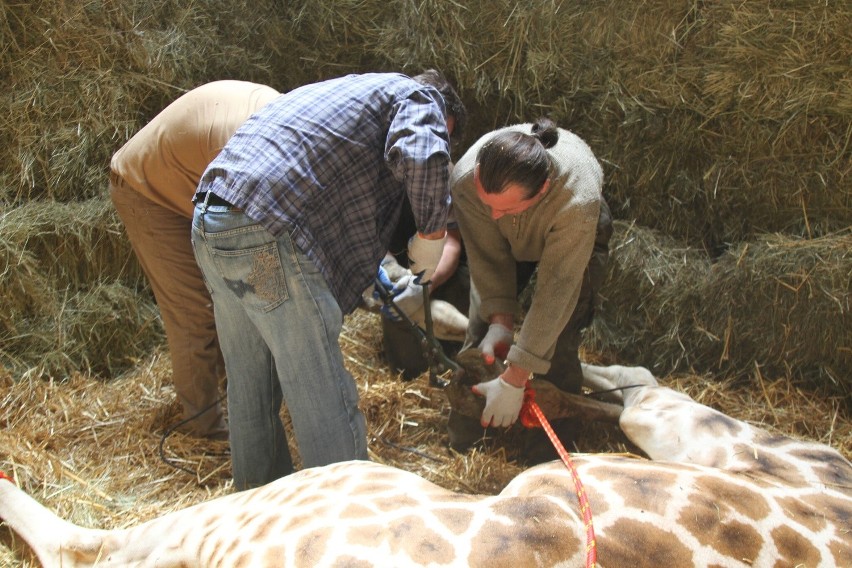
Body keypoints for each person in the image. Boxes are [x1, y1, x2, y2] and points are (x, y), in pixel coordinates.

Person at [191, 70, 466, 490]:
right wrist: (432, 234)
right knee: (319, 388)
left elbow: (364, 205)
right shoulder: (420, 96)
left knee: (252, 390)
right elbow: (424, 153)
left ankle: (258, 521)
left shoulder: (348, 95)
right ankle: (345, 522)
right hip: (266, 229)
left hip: (213, 221)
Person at [110, 80, 281, 440]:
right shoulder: (253, 156)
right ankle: (204, 430)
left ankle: (235, 399)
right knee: (194, 313)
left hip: (192, 175)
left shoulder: (286, 128)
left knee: (231, 298)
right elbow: (250, 243)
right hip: (148, 190)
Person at [449, 117, 613, 462]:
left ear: (540, 192)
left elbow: (557, 290)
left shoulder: (576, 197)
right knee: (480, 334)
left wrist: (516, 376)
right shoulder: (466, 180)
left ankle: (546, 457)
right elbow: (486, 254)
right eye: (486, 203)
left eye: (503, 208)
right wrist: (499, 320)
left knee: (557, 345)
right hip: (512, 235)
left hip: (572, 233)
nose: (492, 215)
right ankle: (467, 442)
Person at [377, 193, 470, 380]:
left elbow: (451, 243)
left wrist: (423, 285)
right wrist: (388, 269)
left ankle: (464, 358)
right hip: (400, 265)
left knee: (460, 290)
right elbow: (366, 242)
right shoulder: (365, 181)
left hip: (443, 267)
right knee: (397, 309)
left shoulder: (439, 175)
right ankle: (410, 377)